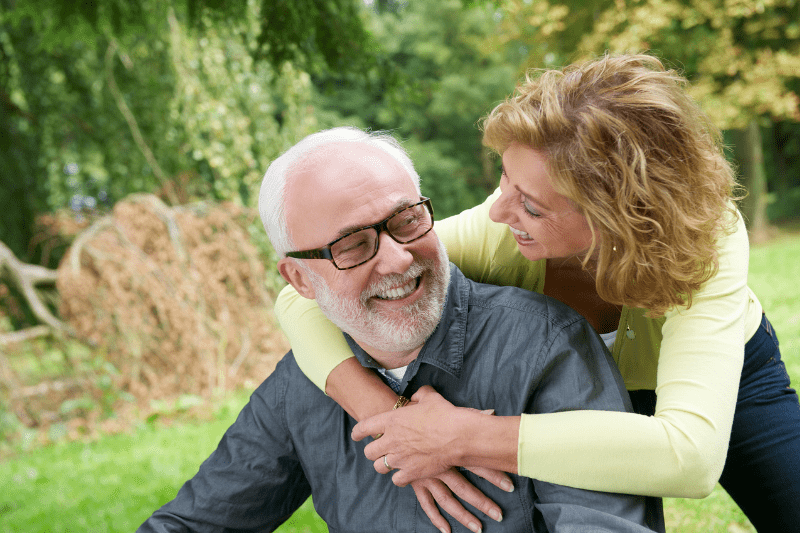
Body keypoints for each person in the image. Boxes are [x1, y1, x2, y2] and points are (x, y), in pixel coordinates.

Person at [275, 54, 800, 532]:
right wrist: (383, 411)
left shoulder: (708, 236)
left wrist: (461, 435)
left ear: (617, 220)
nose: (500, 211)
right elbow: (301, 296)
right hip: (573, 394)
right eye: (505, 180)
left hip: (732, 381)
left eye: (531, 205)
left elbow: (689, 458)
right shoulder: (495, 231)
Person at [138, 127, 663, 533]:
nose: (396, 258)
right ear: (298, 277)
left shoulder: (544, 346)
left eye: (406, 219)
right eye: (351, 245)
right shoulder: (301, 386)